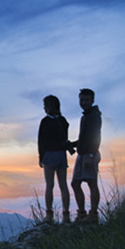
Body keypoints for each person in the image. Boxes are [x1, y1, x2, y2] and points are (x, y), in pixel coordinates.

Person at [38, 95, 71, 223]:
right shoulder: (63, 121)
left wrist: (41, 157)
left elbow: (41, 141)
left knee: (49, 185)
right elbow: (64, 139)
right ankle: (66, 214)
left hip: (49, 155)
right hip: (61, 155)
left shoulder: (45, 122)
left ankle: (49, 214)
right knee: (63, 185)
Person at [70, 88, 102, 223]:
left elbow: (95, 136)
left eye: (86, 100)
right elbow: (84, 138)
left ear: (92, 100)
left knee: (91, 183)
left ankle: (93, 214)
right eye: (81, 99)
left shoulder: (94, 116)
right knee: (75, 183)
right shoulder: (85, 116)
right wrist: (72, 144)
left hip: (89, 154)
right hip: (82, 154)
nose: (83, 102)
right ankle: (82, 214)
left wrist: (90, 153)